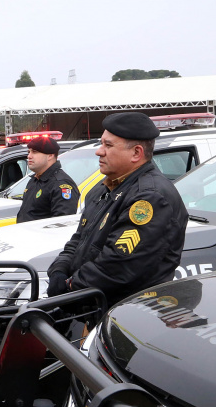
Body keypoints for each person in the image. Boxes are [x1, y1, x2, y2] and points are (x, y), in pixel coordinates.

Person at [46, 112, 188, 307]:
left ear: (136, 153)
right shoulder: (103, 188)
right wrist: (59, 270)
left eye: (108, 145)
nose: (99, 151)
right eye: (101, 143)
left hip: (126, 313)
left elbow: (118, 266)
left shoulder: (149, 197)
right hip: (95, 305)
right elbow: (80, 239)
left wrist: (70, 287)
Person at [16, 136, 78, 223]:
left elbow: (62, 224)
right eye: (29, 152)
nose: (29, 156)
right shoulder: (34, 179)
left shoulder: (61, 184)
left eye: (34, 152)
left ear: (50, 156)